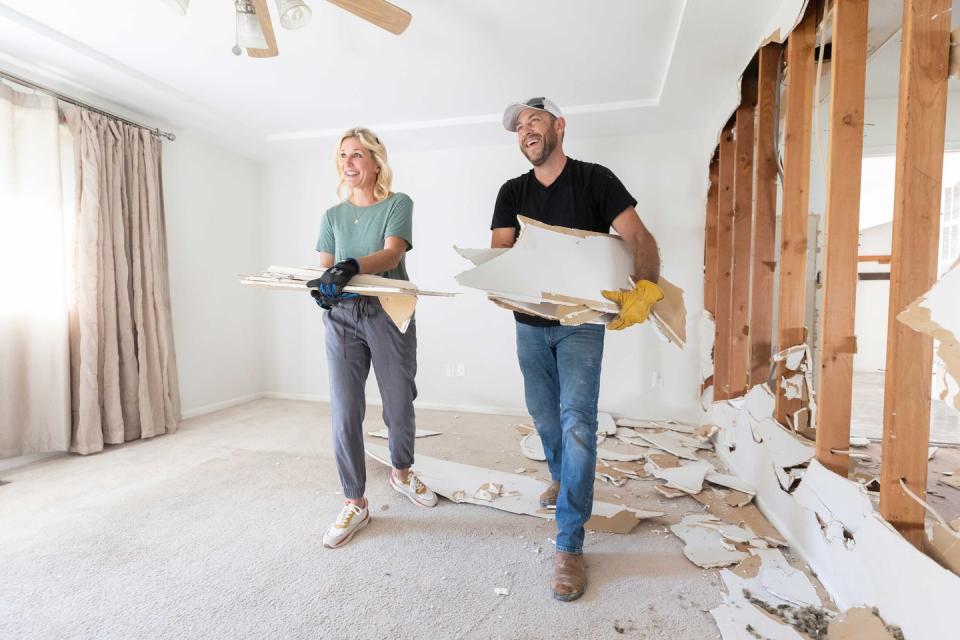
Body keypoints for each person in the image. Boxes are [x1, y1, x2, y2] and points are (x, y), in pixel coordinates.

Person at [491, 98, 662, 600]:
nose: (526, 131)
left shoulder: (595, 180)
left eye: (534, 121)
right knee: (544, 417)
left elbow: (639, 237)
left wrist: (645, 288)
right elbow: (500, 251)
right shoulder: (511, 191)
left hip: (582, 324)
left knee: (577, 422)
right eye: (519, 126)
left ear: (559, 127)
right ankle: (561, 479)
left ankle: (569, 542)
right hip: (530, 323)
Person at [310, 127, 437, 550]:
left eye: (358, 155)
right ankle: (354, 501)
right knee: (345, 409)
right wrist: (325, 288)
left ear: (376, 162)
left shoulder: (398, 204)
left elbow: (392, 254)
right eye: (343, 155)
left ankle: (401, 472)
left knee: (399, 399)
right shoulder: (332, 216)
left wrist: (349, 265)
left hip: (388, 310)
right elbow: (326, 266)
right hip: (343, 318)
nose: (349, 163)